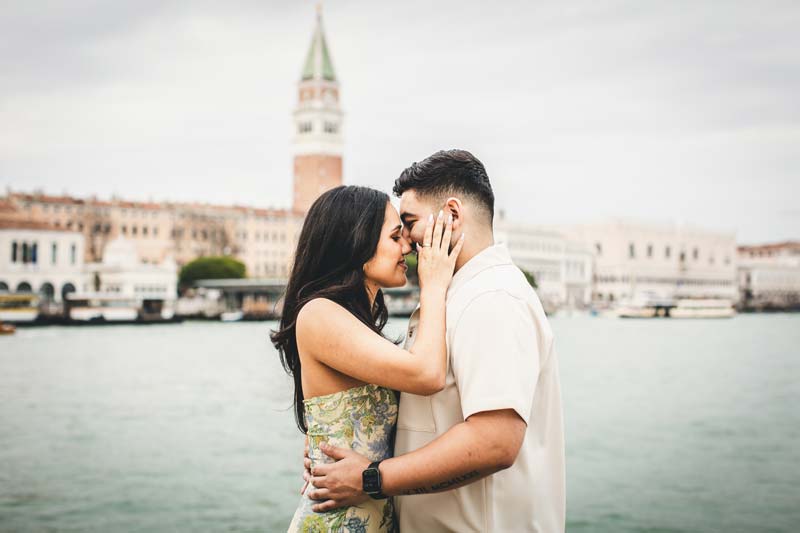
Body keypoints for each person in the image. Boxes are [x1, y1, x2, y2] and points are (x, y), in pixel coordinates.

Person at [303, 150, 566, 532]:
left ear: (453, 215)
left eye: (408, 224)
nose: (406, 241)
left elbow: (495, 441)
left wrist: (371, 477)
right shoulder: (456, 296)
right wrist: (333, 448)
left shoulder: (491, 299)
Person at [271, 185, 464, 532]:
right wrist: (433, 285)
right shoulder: (318, 313)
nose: (408, 246)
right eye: (395, 237)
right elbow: (428, 374)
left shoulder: (353, 323)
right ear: (356, 243)